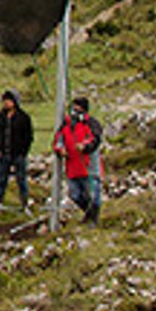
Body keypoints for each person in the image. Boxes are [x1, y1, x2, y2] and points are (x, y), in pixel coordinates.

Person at [53, 96, 103, 225]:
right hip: (72, 167)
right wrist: (60, 149)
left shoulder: (92, 124)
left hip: (89, 167)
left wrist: (85, 147)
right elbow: (58, 140)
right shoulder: (66, 124)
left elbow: (95, 140)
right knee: (75, 195)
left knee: (94, 197)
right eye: (73, 108)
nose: (74, 112)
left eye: (78, 109)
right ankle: (89, 215)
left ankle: (94, 220)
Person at [0, 90, 34, 209]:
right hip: (4, 153)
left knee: (21, 179)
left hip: (18, 154)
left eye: (8, 101)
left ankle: (24, 203)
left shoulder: (23, 117)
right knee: (2, 179)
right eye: (5, 101)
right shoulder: (1, 117)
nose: (6, 103)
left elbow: (28, 136)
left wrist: (23, 151)